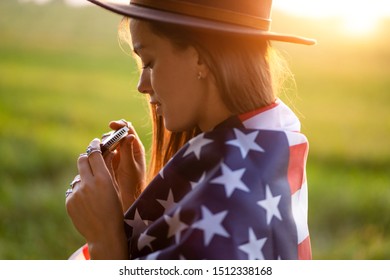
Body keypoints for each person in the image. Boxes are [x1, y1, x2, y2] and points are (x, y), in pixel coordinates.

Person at [65, 0, 315, 260]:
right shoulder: (268, 145)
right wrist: (135, 204)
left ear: (199, 58)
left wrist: (104, 238)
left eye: (149, 62)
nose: (142, 85)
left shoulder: (232, 201)